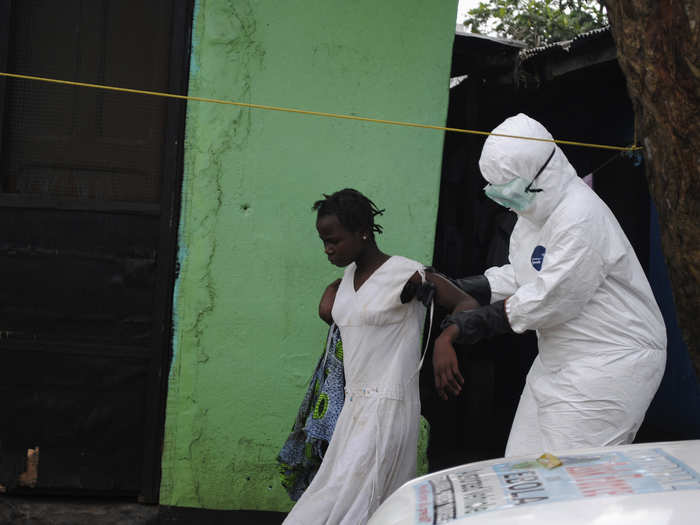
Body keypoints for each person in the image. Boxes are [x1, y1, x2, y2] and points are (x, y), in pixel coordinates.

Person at [432, 113, 667, 457]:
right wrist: (459, 286)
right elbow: (522, 275)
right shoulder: (534, 215)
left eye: (508, 188)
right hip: (560, 357)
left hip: (610, 359)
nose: (502, 199)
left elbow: (550, 298)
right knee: (522, 465)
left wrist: (464, 326)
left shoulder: (579, 217)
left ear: (539, 174)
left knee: (567, 477)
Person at [283, 188, 474, 525]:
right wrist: (329, 298)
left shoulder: (407, 273)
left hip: (389, 407)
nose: (327, 249)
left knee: (346, 504)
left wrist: (446, 339)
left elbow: (466, 303)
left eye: (334, 240)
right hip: (354, 409)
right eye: (323, 240)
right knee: (347, 501)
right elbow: (343, 314)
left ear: (363, 233)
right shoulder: (345, 280)